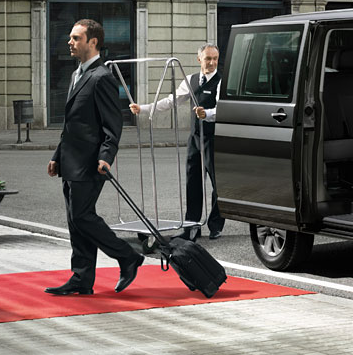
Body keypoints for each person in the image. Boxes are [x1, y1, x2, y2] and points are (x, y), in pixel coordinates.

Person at [44, 19, 146, 296]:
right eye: (71, 37)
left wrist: (106, 156)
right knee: (75, 221)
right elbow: (72, 124)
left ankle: (127, 256)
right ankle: (81, 278)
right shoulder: (77, 74)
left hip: (90, 163)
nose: (70, 42)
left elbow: (112, 124)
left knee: (83, 217)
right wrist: (57, 156)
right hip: (70, 160)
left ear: (93, 42)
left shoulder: (102, 77)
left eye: (76, 38)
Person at [129, 44, 224, 238]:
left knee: (219, 185)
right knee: (193, 182)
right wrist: (144, 108)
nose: (212, 63)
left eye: (215, 59)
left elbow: (224, 109)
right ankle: (192, 227)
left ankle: (216, 225)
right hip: (195, 139)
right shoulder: (191, 80)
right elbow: (172, 101)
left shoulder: (222, 82)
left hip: (215, 140)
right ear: (199, 59)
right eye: (208, 59)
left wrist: (208, 113)